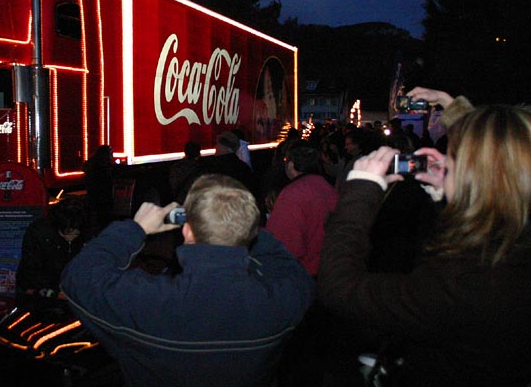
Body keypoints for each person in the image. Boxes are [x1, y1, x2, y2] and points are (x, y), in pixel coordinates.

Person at [318, 104, 531, 385]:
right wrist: (444, 193)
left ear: (471, 176)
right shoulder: (511, 246)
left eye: (453, 161)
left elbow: (339, 288)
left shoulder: (466, 284)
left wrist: (361, 188)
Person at [60, 174, 314, 387]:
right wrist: (241, 228)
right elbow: (291, 270)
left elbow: (80, 274)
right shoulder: (281, 302)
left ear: (187, 229)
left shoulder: (147, 303)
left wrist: (136, 228)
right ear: (250, 230)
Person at [266, 140, 338, 276]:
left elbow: (285, 242)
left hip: (303, 271)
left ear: (292, 165)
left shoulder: (292, 194)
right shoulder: (327, 188)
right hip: (326, 268)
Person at [15, 196, 88, 303]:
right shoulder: (39, 233)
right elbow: (30, 269)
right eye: (67, 233)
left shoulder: (87, 236)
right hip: (39, 295)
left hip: (70, 294)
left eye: (75, 234)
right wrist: (53, 291)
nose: (70, 238)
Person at [83, 144, 115, 235]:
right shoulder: (104, 166)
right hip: (102, 195)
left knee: (94, 215)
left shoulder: (91, 164)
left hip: (93, 194)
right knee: (103, 216)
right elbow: (106, 182)